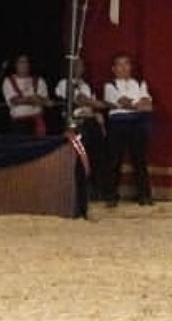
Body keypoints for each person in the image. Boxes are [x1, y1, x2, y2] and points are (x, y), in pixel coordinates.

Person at [99, 51, 154, 207]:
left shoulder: (140, 84)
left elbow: (148, 105)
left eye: (126, 64)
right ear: (114, 68)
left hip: (136, 124)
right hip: (118, 124)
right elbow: (121, 102)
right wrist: (137, 105)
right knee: (114, 160)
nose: (123, 68)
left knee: (139, 160)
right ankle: (111, 195)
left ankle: (144, 195)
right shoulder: (110, 85)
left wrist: (136, 105)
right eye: (120, 64)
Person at [55, 58, 106, 197]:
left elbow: (92, 104)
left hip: (89, 123)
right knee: (78, 157)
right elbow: (79, 100)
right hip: (75, 124)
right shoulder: (64, 83)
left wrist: (96, 111)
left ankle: (93, 189)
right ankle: (74, 189)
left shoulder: (86, 85)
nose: (79, 68)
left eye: (81, 65)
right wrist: (97, 104)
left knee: (93, 156)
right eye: (76, 65)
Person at [1, 53, 53, 136]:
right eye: (21, 62)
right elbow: (14, 101)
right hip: (19, 123)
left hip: (37, 122)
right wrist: (33, 99)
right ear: (16, 65)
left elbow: (46, 101)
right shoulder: (8, 81)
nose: (24, 65)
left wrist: (34, 100)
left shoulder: (39, 80)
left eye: (26, 62)